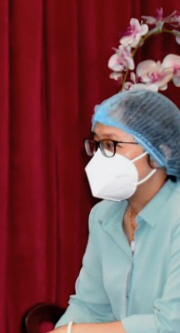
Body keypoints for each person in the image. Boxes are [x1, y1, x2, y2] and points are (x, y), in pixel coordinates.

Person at [56, 89, 180, 332]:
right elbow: (90, 306)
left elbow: (171, 323)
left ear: (160, 152)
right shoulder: (103, 216)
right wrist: (65, 328)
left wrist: (72, 332)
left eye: (111, 144)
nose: (101, 156)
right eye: (98, 144)